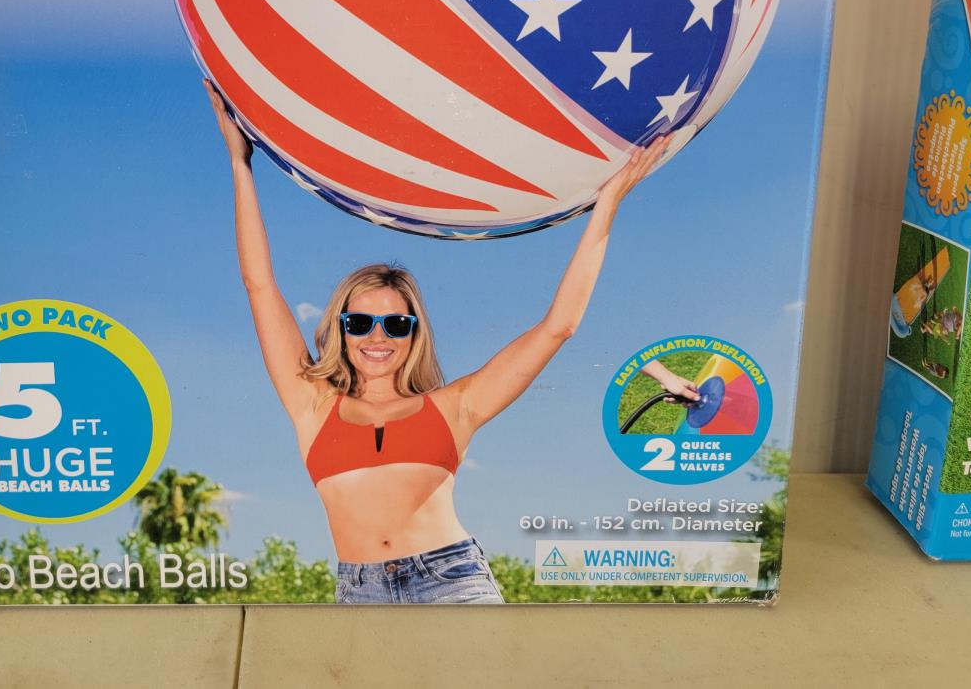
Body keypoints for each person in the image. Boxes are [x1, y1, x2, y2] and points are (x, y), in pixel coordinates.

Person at [204, 81, 666, 604]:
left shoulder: (455, 407)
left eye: (395, 325)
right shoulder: (311, 405)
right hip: (361, 594)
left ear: (414, 334)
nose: (377, 337)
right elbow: (260, 285)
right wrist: (240, 163)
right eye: (361, 323)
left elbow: (558, 326)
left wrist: (607, 205)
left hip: (452, 583)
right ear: (341, 328)